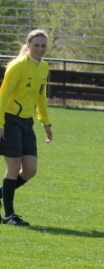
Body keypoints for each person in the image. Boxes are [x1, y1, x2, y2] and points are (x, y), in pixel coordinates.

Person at [0, 29, 53, 226]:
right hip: (10, 119)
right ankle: (9, 215)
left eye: (43, 46)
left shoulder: (44, 67)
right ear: (28, 45)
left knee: (29, 170)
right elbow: (3, 96)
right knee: (13, 168)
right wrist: (0, 123)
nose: (40, 49)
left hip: (26, 123)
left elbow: (41, 96)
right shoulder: (17, 66)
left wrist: (46, 123)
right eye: (36, 45)